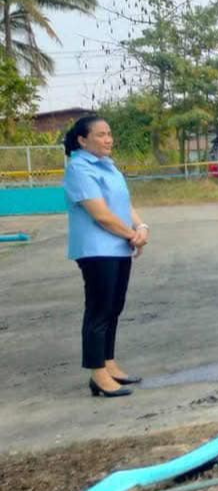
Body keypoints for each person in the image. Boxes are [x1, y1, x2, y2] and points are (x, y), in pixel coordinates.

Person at [62, 115, 148, 398]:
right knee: (99, 310)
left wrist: (140, 227)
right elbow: (100, 214)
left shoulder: (108, 166)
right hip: (97, 250)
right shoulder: (79, 168)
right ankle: (97, 373)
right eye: (100, 135)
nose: (108, 139)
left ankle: (109, 364)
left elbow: (124, 205)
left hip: (118, 247)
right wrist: (130, 235)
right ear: (82, 140)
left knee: (114, 307)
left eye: (109, 133)